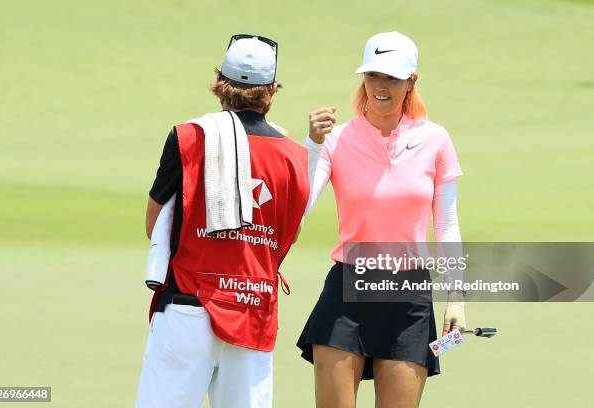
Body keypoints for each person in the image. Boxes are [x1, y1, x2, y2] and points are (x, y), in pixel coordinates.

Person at [136, 34, 309, 408]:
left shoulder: (187, 137)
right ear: (272, 90)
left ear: (219, 83)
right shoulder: (294, 155)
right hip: (253, 308)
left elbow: (156, 224)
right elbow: (286, 236)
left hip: (186, 307)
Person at [297, 31, 466, 408]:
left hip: (408, 296)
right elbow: (301, 208)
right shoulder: (336, 139)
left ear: (412, 81)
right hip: (347, 289)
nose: (380, 86)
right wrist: (312, 145)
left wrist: (456, 297)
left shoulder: (435, 139)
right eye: (372, 75)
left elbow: (447, 225)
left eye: (391, 77)